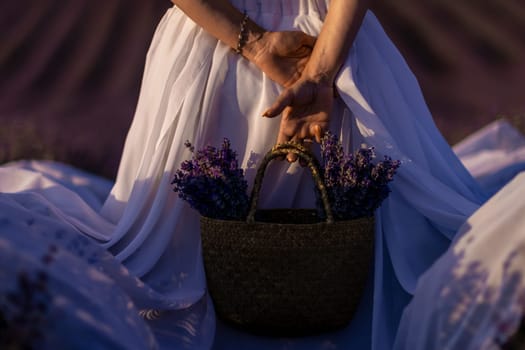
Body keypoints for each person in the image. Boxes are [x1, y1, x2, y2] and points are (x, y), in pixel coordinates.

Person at [1, 0, 512, 348]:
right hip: (325, 41)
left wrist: (264, 49)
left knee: (175, 258)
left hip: (227, 45)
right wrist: (319, 73)